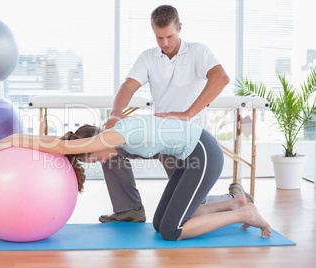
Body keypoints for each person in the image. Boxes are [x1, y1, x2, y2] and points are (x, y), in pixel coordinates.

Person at [0, 115, 271, 241]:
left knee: (171, 231)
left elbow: (59, 146)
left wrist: (8, 140)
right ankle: (234, 203)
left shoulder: (113, 135)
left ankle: (243, 212)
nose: (95, 161)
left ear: (94, 143)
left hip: (203, 152)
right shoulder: (111, 136)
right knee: (160, 224)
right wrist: (13, 139)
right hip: (191, 153)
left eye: (91, 156)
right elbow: (56, 140)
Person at [100, 5, 239, 223]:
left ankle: (234, 198)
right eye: (159, 38)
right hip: (158, 136)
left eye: (169, 36)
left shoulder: (197, 52)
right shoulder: (148, 57)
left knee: (190, 208)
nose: (165, 43)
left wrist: (187, 113)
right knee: (109, 148)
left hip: (187, 140)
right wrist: (115, 115)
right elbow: (128, 86)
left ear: (180, 28)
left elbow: (221, 77)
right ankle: (129, 209)